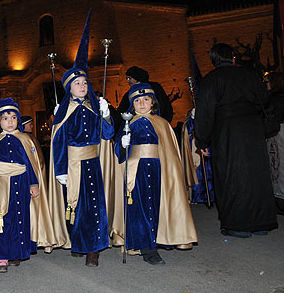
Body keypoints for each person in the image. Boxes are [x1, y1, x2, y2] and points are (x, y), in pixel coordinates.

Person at [49, 11, 115, 267]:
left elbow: (107, 135)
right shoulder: (64, 112)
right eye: (77, 83)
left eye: (85, 82)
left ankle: (93, 249)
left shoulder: (94, 108)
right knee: (74, 206)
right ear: (68, 88)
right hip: (73, 165)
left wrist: (107, 115)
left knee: (95, 206)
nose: (83, 85)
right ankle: (78, 243)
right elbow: (58, 142)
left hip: (93, 163)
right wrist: (61, 170)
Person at [194, 43, 278, 237]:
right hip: (253, 129)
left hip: (226, 131)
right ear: (232, 57)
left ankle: (237, 225)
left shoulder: (211, 79)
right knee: (257, 174)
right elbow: (266, 101)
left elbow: (205, 112)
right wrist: (265, 128)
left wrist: (203, 140)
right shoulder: (250, 74)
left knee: (231, 175)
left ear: (214, 59)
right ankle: (261, 223)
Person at [116, 83, 198, 265]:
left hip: (158, 169)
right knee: (140, 207)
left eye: (146, 99)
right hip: (136, 172)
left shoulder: (162, 124)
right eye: (137, 100)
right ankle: (146, 248)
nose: (142, 103)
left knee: (156, 205)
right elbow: (118, 152)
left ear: (153, 103)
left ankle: (158, 238)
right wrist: (122, 144)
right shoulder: (129, 124)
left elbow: (170, 152)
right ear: (132, 104)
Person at [0, 98, 39, 273]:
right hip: (1, 183)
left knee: (20, 217)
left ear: (18, 120)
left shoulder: (25, 139)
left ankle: (16, 253)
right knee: (1, 218)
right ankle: (1, 257)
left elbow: (32, 164)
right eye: (5, 118)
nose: (10, 121)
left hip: (22, 181)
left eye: (13, 117)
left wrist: (34, 183)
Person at [266, 72, 284, 214]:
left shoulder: (272, 98)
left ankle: (280, 198)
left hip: (277, 133)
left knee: (278, 166)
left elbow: (271, 117)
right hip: (279, 131)